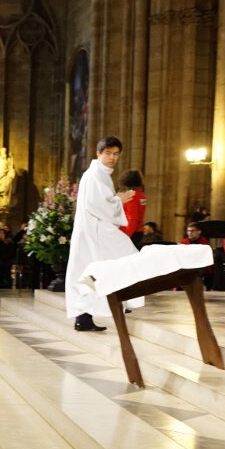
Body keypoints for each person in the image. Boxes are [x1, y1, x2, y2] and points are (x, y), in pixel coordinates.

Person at [65, 135, 141, 331]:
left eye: (116, 154)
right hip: (95, 232)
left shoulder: (101, 173)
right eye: (108, 153)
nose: (112, 158)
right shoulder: (95, 174)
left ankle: (86, 316)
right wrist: (119, 200)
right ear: (98, 153)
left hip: (95, 230)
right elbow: (96, 204)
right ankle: (90, 313)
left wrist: (116, 199)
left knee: (93, 274)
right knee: (124, 257)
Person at [119, 169, 147, 247]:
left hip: (131, 232)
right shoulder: (142, 195)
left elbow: (133, 218)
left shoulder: (132, 196)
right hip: (139, 231)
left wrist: (126, 236)